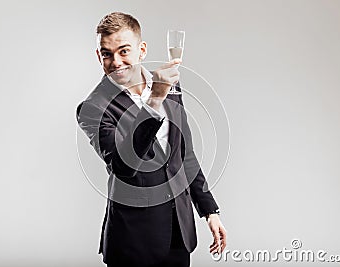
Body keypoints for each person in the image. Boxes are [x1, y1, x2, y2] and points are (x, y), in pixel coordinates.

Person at [76, 12, 227, 267]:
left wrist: (210, 211)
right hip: (133, 242)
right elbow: (124, 168)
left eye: (124, 51)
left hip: (179, 233)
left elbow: (184, 153)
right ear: (98, 56)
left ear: (141, 50)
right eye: (107, 54)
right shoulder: (93, 107)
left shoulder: (170, 86)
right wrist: (154, 101)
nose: (116, 62)